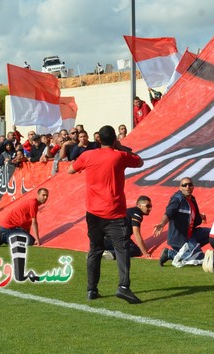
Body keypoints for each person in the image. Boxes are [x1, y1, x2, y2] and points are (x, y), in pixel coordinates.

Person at [67, 124, 144, 304]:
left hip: (93, 213)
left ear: (98, 139)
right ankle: (123, 287)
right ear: (115, 140)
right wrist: (121, 147)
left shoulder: (87, 156)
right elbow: (140, 161)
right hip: (115, 212)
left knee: (95, 249)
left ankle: (91, 289)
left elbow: (71, 170)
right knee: (122, 249)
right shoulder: (120, 156)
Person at [153, 177, 210, 266]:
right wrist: (162, 224)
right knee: (200, 258)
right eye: (184, 185)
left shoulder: (192, 199)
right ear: (180, 187)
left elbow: (190, 212)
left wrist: (200, 216)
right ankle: (169, 254)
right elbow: (169, 213)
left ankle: (190, 250)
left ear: (193, 187)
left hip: (192, 234)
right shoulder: (177, 199)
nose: (187, 187)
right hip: (180, 238)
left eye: (190, 185)